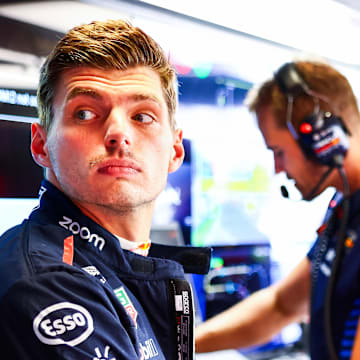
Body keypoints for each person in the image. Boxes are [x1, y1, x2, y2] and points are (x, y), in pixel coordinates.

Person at [0, 19, 210, 359]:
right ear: (41, 145)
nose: (118, 133)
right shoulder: (47, 283)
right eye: (84, 113)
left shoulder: (119, 261)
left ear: (175, 150)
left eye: (142, 116)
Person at [195, 60, 360, 360]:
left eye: (278, 152)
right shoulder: (344, 209)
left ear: (322, 137)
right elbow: (282, 305)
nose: (277, 168)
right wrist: (175, 343)